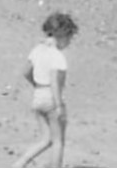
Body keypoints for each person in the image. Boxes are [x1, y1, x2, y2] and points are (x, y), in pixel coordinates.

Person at [16, 11, 78, 168]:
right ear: (62, 34)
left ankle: (18, 165)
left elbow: (25, 72)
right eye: (69, 37)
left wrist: (37, 85)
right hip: (51, 98)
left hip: (37, 96)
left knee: (46, 139)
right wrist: (59, 106)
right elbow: (54, 81)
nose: (70, 41)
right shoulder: (57, 55)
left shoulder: (37, 50)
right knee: (58, 141)